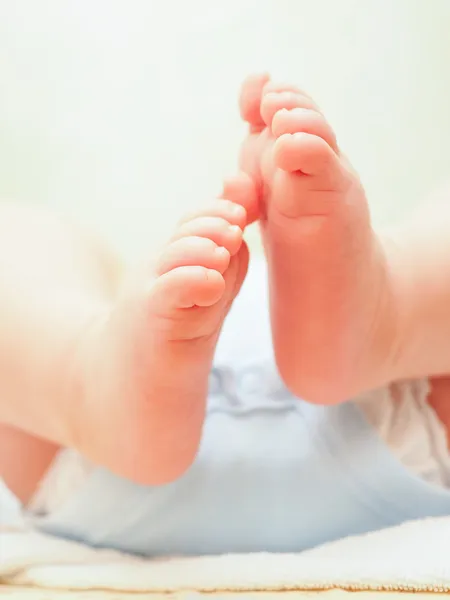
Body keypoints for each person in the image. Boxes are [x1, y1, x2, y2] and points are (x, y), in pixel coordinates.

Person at [2, 74, 450, 555]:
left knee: (23, 236)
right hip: (417, 415)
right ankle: (396, 308)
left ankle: (80, 373)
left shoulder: (133, 290)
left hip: (86, 456)